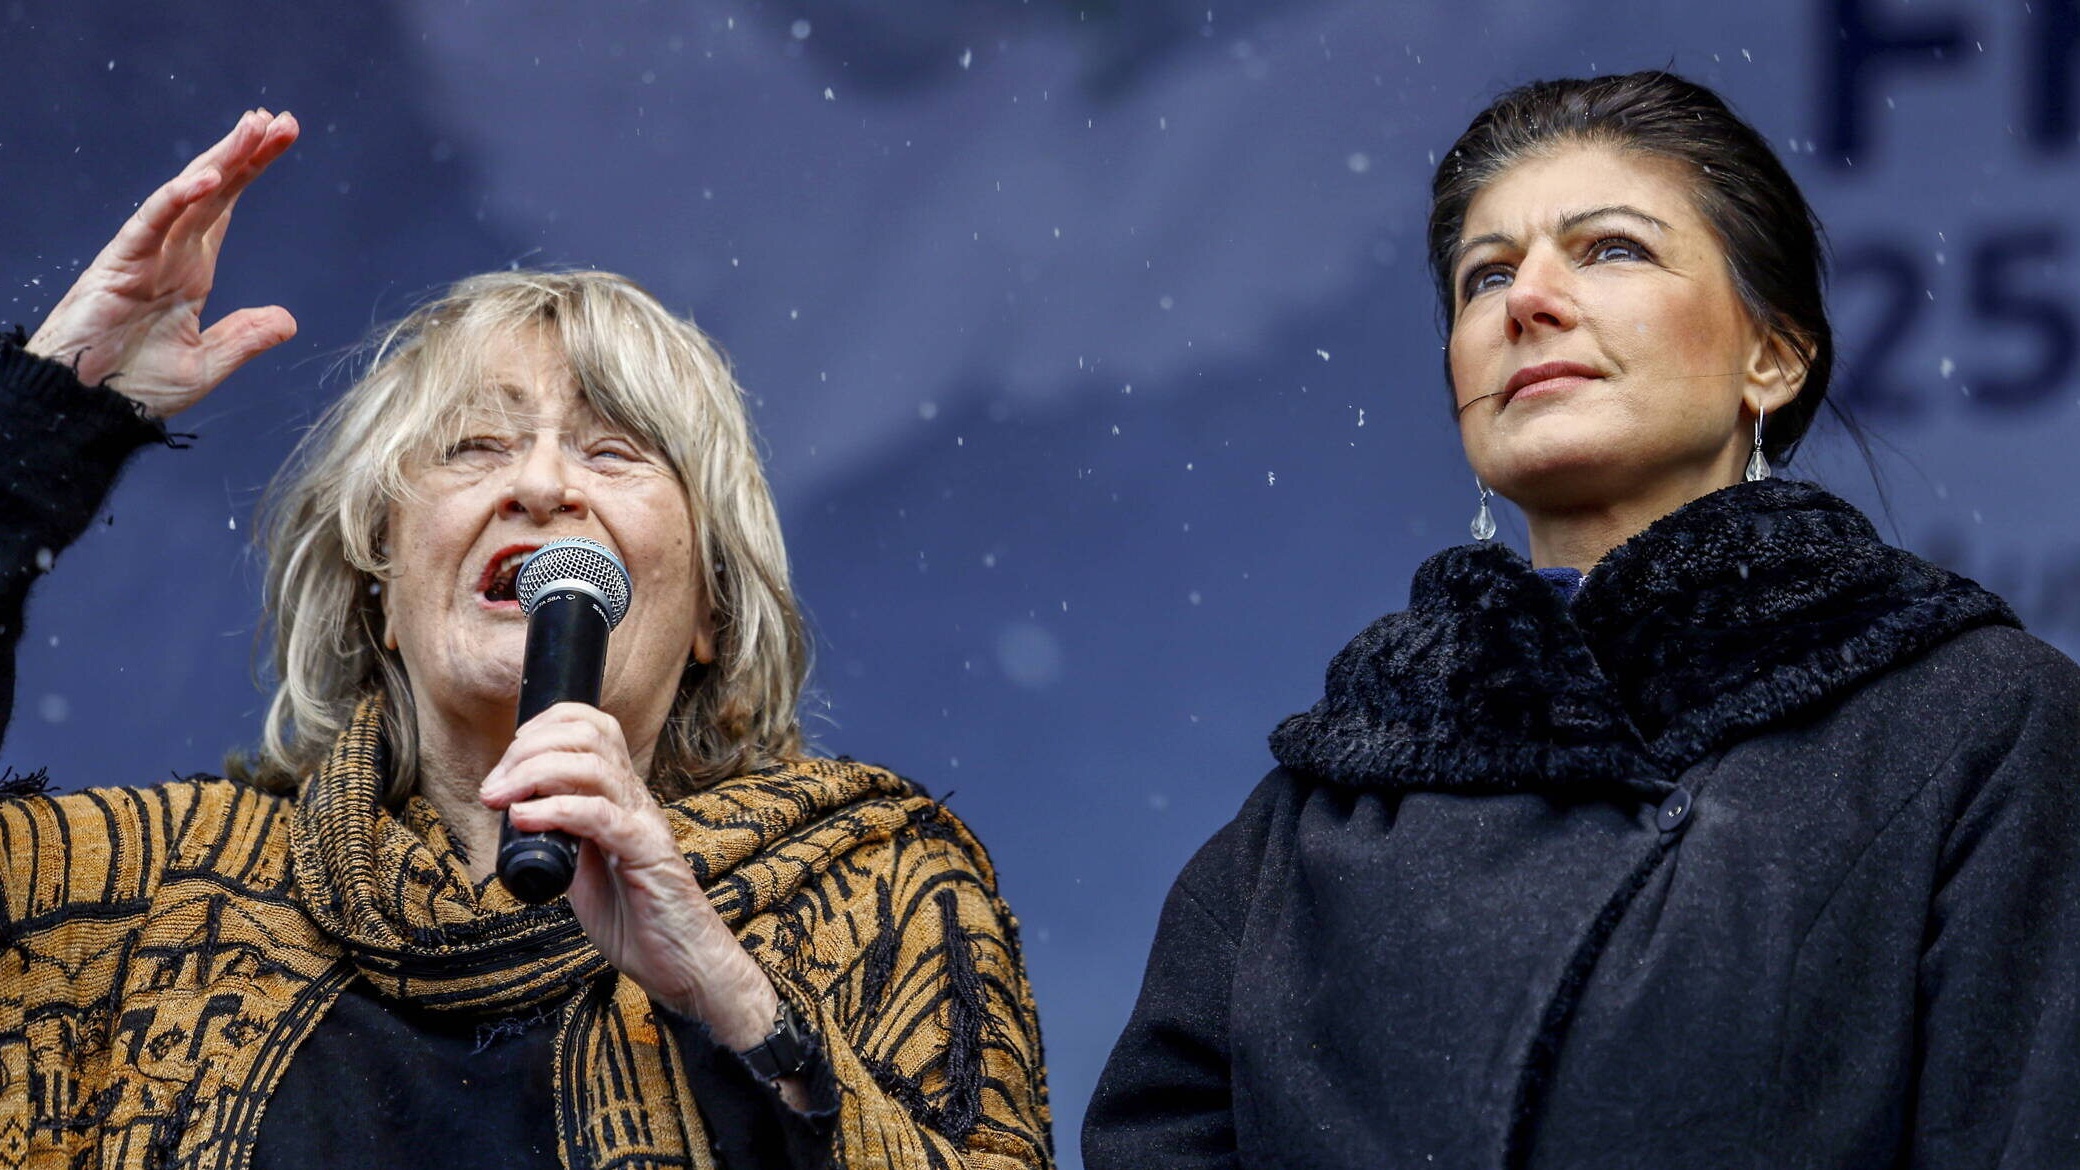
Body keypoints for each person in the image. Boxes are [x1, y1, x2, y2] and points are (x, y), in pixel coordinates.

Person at [0, 110, 1051, 1170]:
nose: (543, 484)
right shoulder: (147, 899)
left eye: (613, 450)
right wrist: (45, 425)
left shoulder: (875, 888)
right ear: (378, 584)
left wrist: (735, 1002)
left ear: (709, 617)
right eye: (477, 444)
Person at [1083, 70, 2080, 1169]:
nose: (1527, 301)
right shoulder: (1303, 822)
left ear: (1773, 356)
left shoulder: (1978, 724)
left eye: (1612, 249)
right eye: (1484, 276)